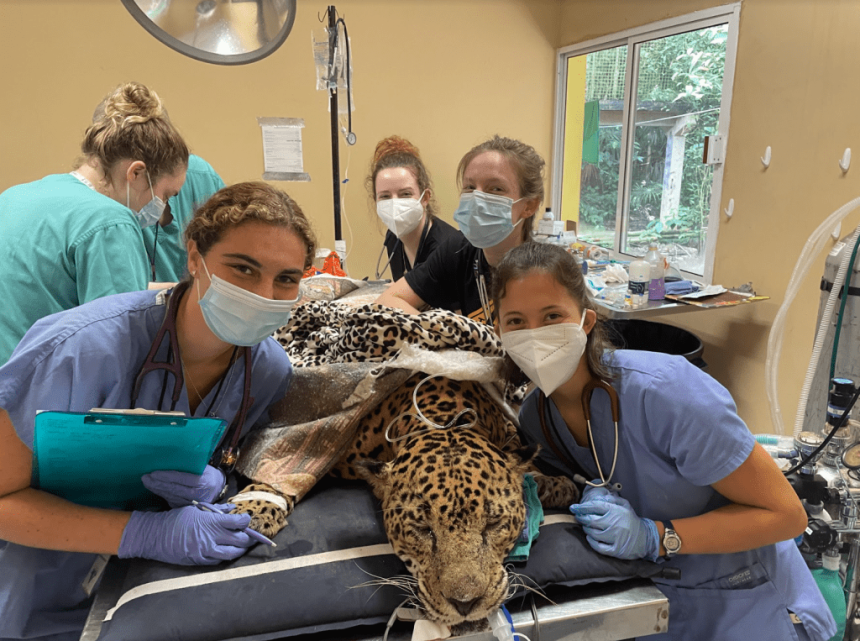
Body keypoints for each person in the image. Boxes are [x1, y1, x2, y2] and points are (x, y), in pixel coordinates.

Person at [0, 182, 317, 641]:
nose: (264, 293)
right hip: (42, 598)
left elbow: (239, 462)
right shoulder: (78, 350)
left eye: (286, 279)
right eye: (243, 268)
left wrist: (219, 485)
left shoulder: (266, 370)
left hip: (156, 598)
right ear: (194, 257)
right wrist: (143, 534)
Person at [491, 242, 837, 641]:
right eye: (515, 321)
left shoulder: (668, 394)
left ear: (587, 320)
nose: (536, 335)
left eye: (553, 316)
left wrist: (656, 536)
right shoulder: (537, 417)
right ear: (498, 329)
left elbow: (786, 516)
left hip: (748, 602)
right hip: (650, 605)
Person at [0, 82, 189, 365]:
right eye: (165, 194)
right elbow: (118, 339)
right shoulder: (111, 222)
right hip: (40, 399)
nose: (163, 208)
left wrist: (183, 292)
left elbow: (59, 290)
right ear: (137, 173)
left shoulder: (16, 196)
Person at [374, 135, 542, 325]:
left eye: (495, 189)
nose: (477, 199)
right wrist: (452, 336)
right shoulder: (458, 249)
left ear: (529, 205)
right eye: (470, 187)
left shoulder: (544, 274)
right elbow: (387, 301)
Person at [366, 135, 460, 281]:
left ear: (425, 198)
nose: (394, 203)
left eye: (405, 194)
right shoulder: (393, 239)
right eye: (385, 196)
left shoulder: (446, 247)